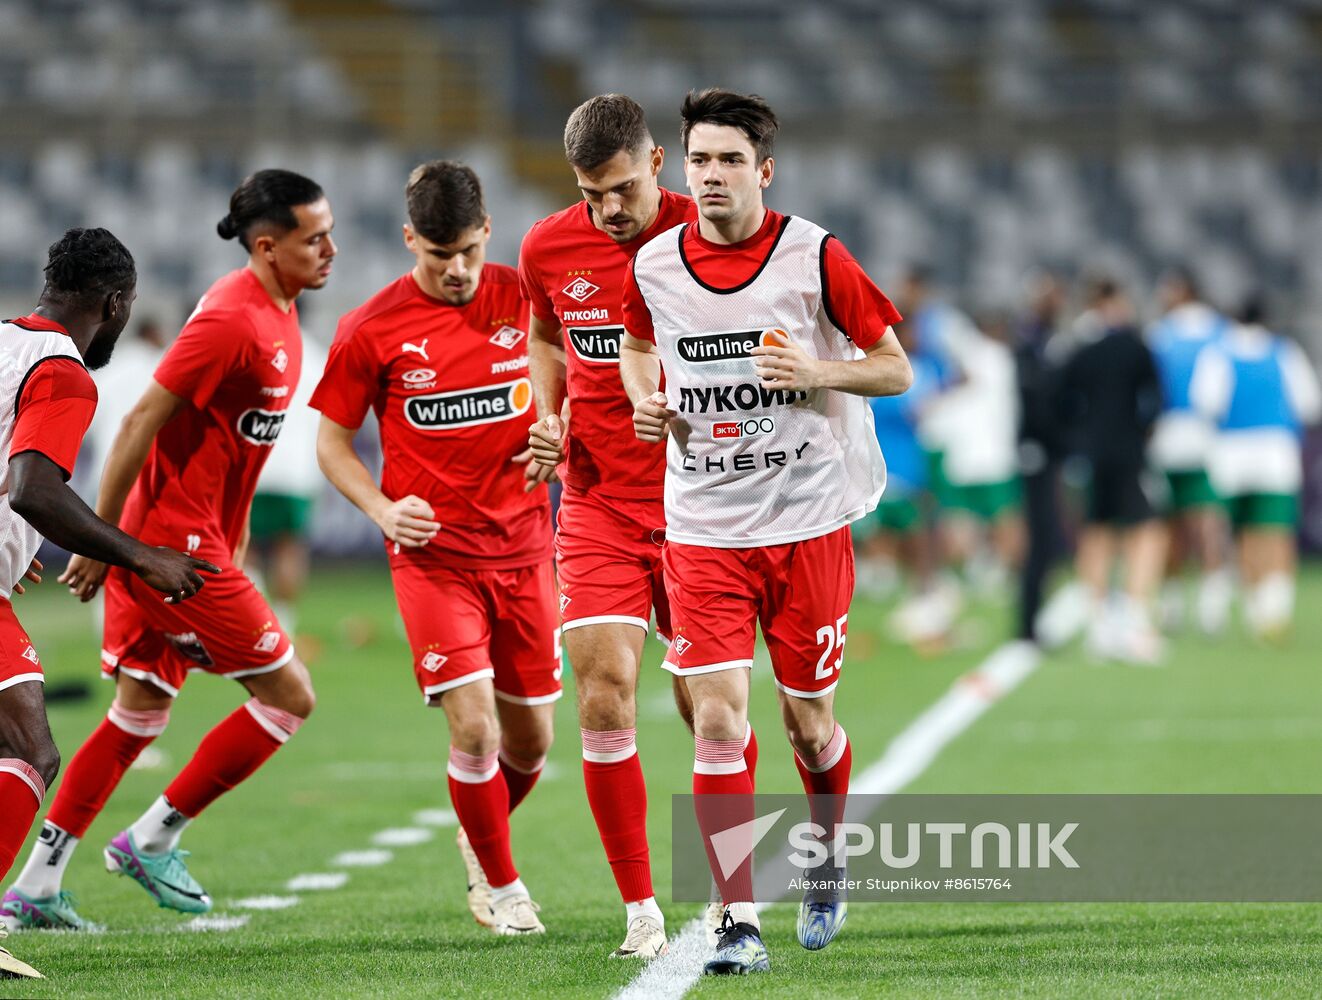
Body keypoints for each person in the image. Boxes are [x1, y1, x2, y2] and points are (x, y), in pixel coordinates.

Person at [620, 89, 911, 974]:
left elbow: (894, 368)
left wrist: (816, 368)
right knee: (717, 718)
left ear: (764, 172)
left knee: (810, 721)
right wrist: (644, 398)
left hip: (807, 520)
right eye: (700, 160)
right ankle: (735, 917)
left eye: (730, 161)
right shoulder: (655, 264)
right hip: (704, 525)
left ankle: (827, 860)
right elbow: (639, 345)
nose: (712, 176)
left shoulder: (812, 254)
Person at [4, 171, 334, 931]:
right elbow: (138, 423)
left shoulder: (282, 318)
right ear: (267, 244)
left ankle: (39, 886)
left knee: (137, 711)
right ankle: (152, 837)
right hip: (174, 550)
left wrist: (232, 532)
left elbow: (235, 450)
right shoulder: (230, 319)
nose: (330, 249)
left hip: (196, 539)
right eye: (314, 237)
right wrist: (115, 544)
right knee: (291, 696)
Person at [313, 161, 557, 935]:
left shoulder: (528, 297)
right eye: (436, 255)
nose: (455, 272)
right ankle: (502, 882)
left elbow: (581, 377)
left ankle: (476, 829)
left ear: (489, 231)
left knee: (532, 740)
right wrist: (383, 510)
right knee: (476, 729)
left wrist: (561, 427)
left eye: (468, 254)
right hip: (435, 559)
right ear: (410, 238)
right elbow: (332, 443)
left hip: (525, 548)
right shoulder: (371, 327)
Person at [521, 94, 730, 958]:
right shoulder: (546, 246)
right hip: (599, 499)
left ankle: (731, 897)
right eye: (589, 193)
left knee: (711, 709)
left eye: (619, 190)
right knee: (602, 688)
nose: (607, 210)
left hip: (705, 504)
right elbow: (543, 333)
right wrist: (548, 410)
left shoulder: (714, 235)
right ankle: (641, 909)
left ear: (656, 164)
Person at [0, 230, 217, 977]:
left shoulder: (3, 344)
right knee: (28, 752)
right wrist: (141, 554)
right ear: (116, 302)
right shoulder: (62, 370)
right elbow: (34, 488)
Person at [1191, 296, 1321, 640]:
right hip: (1275, 451)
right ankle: (1274, 608)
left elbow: (1206, 403)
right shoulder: (1284, 352)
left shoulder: (1219, 353)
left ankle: (1238, 603)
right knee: (1275, 528)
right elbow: (1308, 403)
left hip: (1231, 451)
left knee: (1238, 530)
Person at [1057, 279, 1166, 663]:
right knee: (1145, 530)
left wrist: (1079, 438)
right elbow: (1156, 399)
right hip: (1129, 452)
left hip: (1093, 454)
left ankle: (1100, 622)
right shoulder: (1135, 346)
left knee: (1097, 531)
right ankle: (1136, 619)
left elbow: (1062, 400)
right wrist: (1143, 435)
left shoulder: (1081, 351)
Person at [1147, 267, 1232, 634]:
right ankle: (1208, 604)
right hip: (1201, 437)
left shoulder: (1160, 334)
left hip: (1175, 436)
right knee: (1203, 521)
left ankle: (1176, 601)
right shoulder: (1220, 332)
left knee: (1176, 523)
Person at [247, 333, 328, 640]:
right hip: (298, 468)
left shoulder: (260, 346)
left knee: (245, 546)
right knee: (289, 546)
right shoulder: (317, 358)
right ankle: (284, 622)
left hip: (255, 460)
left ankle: (253, 619)